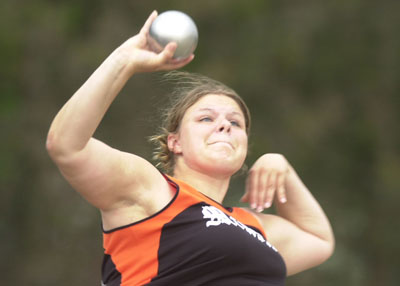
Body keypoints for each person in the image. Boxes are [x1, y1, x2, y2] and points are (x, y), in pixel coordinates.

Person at [46, 11, 334, 286]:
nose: (224, 126)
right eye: (206, 118)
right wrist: (124, 61)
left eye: (235, 122)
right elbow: (67, 146)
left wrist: (282, 167)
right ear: (175, 142)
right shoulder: (151, 190)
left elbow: (319, 240)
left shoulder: (253, 225)